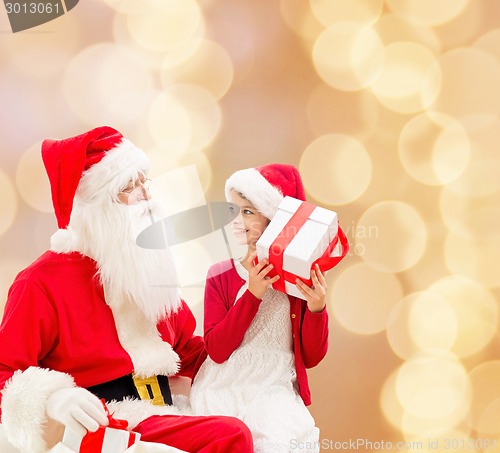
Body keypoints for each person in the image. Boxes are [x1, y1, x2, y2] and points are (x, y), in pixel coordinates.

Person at [0, 126, 254, 453]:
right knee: (229, 435)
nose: (146, 196)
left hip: (166, 409)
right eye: (127, 187)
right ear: (94, 208)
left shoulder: (146, 266)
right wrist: (54, 398)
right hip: (111, 420)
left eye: (144, 182)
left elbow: (188, 350)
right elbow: (5, 372)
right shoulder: (40, 282)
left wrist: (251, 334)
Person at [190, 164, 329, 453]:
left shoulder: (297, 281)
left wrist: (317, 309)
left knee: (278, 437)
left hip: (276, 386)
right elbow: (216, 349)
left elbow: (312, 356)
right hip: (226, 384)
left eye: (248, 212)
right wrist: (252, 293)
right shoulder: (221, 274)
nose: (236, 220)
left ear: (274, 221)